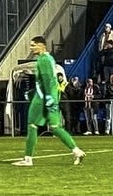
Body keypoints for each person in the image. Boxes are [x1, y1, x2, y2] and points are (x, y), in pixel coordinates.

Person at [13, 36, 85, 167]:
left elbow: (47, 81)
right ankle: (76, 151)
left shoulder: (43, 60)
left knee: (32, 125)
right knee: (55, 127)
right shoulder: (50, 59)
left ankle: (28, 159)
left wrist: (47, 99)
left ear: (41, 46)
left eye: (33, 45)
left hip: (42, 99)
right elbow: (50, 81)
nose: (31, 48)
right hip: (50, 97)